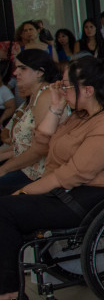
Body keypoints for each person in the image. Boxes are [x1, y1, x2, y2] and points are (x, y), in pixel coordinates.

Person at [0, 57, 104, 300]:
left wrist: (25, 193)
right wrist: (55, 107)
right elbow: (44, 142)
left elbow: (70, 174)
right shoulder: (80, 116)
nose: (61, 90)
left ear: (87, 90)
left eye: (65, 86)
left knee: (5, 210)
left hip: (98, 194)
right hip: (70, 187)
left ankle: (10, 297)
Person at [0, 51, 59, 195]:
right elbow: (22, 145)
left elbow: (41, 148)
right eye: (16, 68)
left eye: (22, 68)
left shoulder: (45, 96)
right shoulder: (34, 96)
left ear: (39, 72)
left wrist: (5, 168)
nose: (15, 72)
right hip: (26, 167)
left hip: (39, 173)